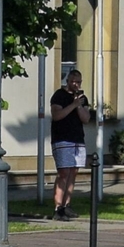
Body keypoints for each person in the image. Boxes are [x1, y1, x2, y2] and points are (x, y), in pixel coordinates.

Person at [48, 68, 94, 219]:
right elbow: (57, 115)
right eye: (74, 81)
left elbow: (86, 119)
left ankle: (67, 205)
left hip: (77, 139)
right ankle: (57, 207)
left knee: (73, 173)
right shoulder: (59, 96)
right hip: (62, 139)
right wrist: (73, 105)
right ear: (68, 81)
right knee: (64, 173)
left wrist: (79, 104)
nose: (76, 85)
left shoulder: (82, 99)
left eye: (79, 82)